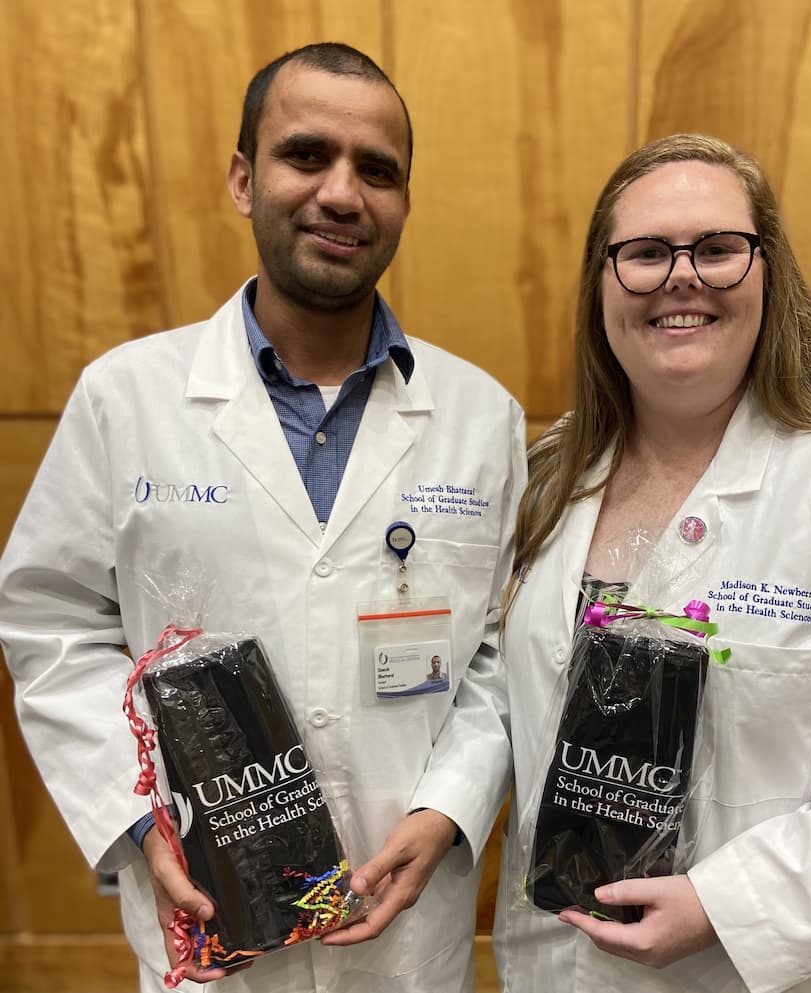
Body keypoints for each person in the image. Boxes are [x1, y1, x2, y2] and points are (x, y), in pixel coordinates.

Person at [0, 43, 525, 993]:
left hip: (402, 940)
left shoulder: (483, 416)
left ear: (404, 201)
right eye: (305, 155)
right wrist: (137, 821)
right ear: (245, 179)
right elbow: (51, 622)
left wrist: (448, 810)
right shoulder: (126, 398)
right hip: (208, 920)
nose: (341, 192)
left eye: (378, 170)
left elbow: (500, 650)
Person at [494, 133, 811, 992]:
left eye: (719, 249)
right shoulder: (552, 477)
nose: (681, 276)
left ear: (769, 273)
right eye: (646, 253)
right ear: (601, 286)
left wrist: (725, 904)